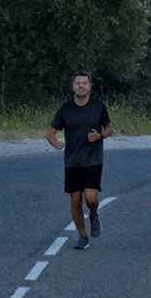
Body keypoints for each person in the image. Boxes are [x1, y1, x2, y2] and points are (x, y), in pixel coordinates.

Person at [45, 71, 112, 248]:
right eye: (78, 83)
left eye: (84, 83)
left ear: (89, 87)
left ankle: (93, 213)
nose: (81, 86)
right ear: (73, 87)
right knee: (75, 199)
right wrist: (56, 144)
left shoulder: (98, 106)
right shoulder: (66, 108)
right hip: (72, 161)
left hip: (93, 160)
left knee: (90, 198)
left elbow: (109, 128)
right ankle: (83, 236)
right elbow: (50, 133)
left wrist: (100, 135)